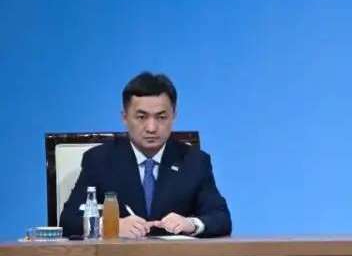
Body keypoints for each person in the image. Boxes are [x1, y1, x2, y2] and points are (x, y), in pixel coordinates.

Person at [60, 72, 232, 238]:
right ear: (125, 118)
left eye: (161, 117)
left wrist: (191, 224)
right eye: (141, 117)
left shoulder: (194, 161)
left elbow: (221, 218)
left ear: (174, 116)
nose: (151, 127)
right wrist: (111, 226)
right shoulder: (99, 160)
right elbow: (68, 220)